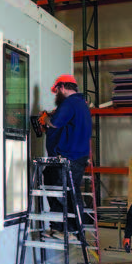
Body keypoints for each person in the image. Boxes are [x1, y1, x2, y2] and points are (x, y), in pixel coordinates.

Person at [42, 74, 92, 238]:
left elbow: (55, 123)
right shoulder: (81, 104)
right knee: (69, 190)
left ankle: (65, 229)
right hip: (77, 156)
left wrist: (45, 120)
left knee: (58, 188)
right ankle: (71, 228)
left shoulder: (69, 103)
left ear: (62, 87)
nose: (56, 94)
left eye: (56, 90)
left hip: (68, 157)